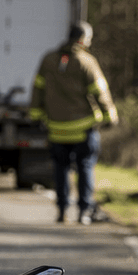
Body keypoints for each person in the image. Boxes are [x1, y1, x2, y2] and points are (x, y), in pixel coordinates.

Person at [29, 20, 119, 225]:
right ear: (82, 39)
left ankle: (62, 210)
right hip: (82, 129)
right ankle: (84, 211)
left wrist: (35, 116)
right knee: (85, 167)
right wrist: (110, 116)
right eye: (89, 39)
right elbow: (100, 92)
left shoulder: (48, 60)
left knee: (60, 169)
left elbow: (37, 90)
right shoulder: (86, 61)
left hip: (56, 129)